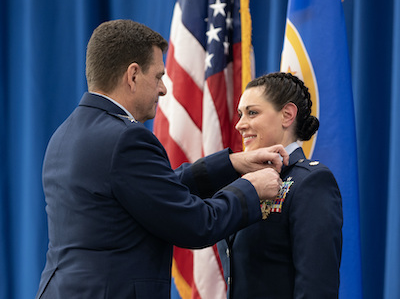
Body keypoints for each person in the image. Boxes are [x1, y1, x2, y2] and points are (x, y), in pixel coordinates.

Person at [35, 20, 289, 299]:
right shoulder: (125, 139)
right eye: (158, 77)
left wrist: (231, 164)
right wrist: (250, 189)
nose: (163, 89)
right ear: (132, 75)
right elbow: (196, 223)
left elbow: (150, 191)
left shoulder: (64, 135)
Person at [217, 72, 343, 298]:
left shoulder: (311, 182)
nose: (239, 125)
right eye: (240, 114)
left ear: (287, 115)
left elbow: (316, 287)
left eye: (252, 113)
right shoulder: (241, 183)